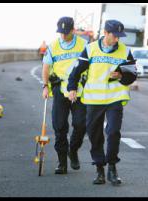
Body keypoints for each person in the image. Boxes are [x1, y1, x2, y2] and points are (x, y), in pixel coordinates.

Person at [67, 19, 137, 185]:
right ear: (105, 33)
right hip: (94, 99)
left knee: (113, 132)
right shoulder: (90, 50)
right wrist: (72, 88)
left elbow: (132, 74)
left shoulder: (125, 51)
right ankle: (100, 170)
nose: (117, 39)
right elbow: (76, 71)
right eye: (115, 35)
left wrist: (121, 75)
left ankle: (112, 167)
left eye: (120, 36)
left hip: (115, 98)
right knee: (95, 135)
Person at [42, 16, 88, 174]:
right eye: (60, 32)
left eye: (66, 32)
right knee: (59, 126)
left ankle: (73, 150)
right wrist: (45, 86)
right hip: (60, 89)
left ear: (73, 30)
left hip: (80, 90)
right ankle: (62, 162)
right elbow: (46, 67)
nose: (63, 35)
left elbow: (90, 65)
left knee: (81, 124)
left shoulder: (84, 44)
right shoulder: (53, 46)